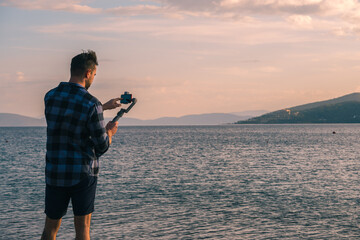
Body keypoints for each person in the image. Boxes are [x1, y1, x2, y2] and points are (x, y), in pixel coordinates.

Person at [41, 50, 121, 240]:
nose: (93, 78)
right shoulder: (91, 103)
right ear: (87, 73)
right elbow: (101, 146)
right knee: (83, 230)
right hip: (82, 174)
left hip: (55, 172)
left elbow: (70, 114)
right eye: (94, 74)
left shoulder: (50, 97)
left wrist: (103, 106)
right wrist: (110, 132)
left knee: (50, 228)